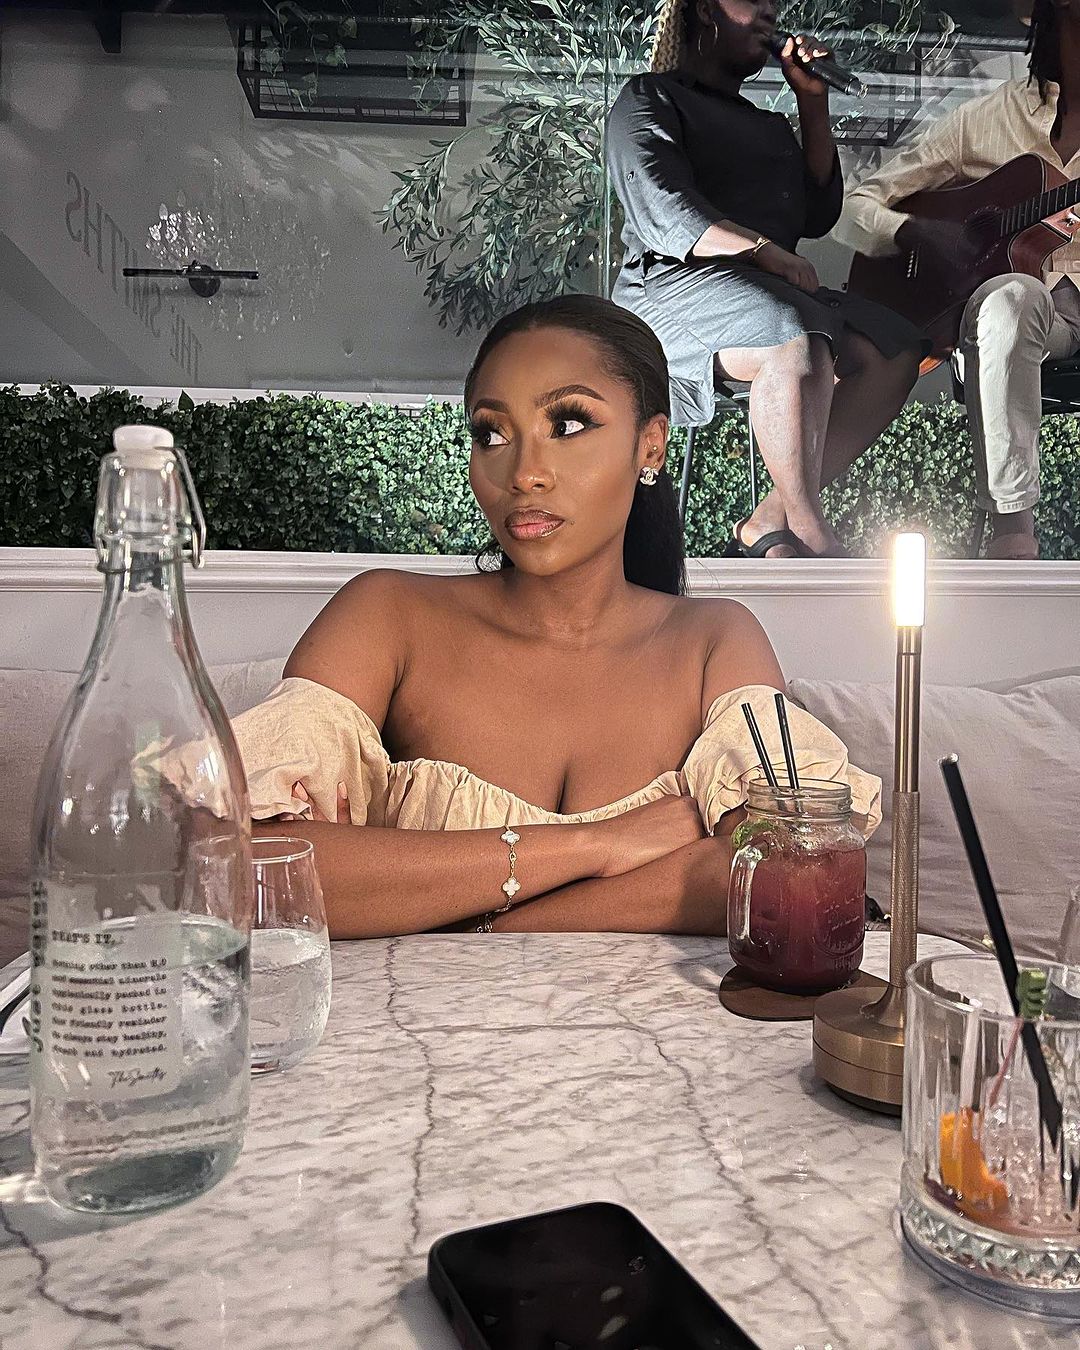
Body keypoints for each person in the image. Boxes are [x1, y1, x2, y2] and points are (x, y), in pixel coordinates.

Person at [231, 296, 881, 939]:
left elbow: (797, 869)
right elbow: (248, 870)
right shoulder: (386, 616)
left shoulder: (714, 640)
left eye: (568, 424)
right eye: (492, 433)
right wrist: (603, 844)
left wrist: (466, 917)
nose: (524, 474)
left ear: (651, 445)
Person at [605, 0, 924, 559]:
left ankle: (771, 517)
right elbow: (663, 209)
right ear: (707, 11)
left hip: (768, 293)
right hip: (670, 290)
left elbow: (817, 214)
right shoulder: (650, 97)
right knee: (792, 337)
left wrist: (812, 102)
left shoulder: (766, 125)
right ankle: (809, 532)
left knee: (895, 349)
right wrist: (760, 250)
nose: (771, 10)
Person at [839, 0, 1080, 560]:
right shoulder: (989, 118)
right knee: (1015, 295)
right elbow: (855, 206)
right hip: (996, 321)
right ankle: (1013, 530)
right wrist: (919, 233)